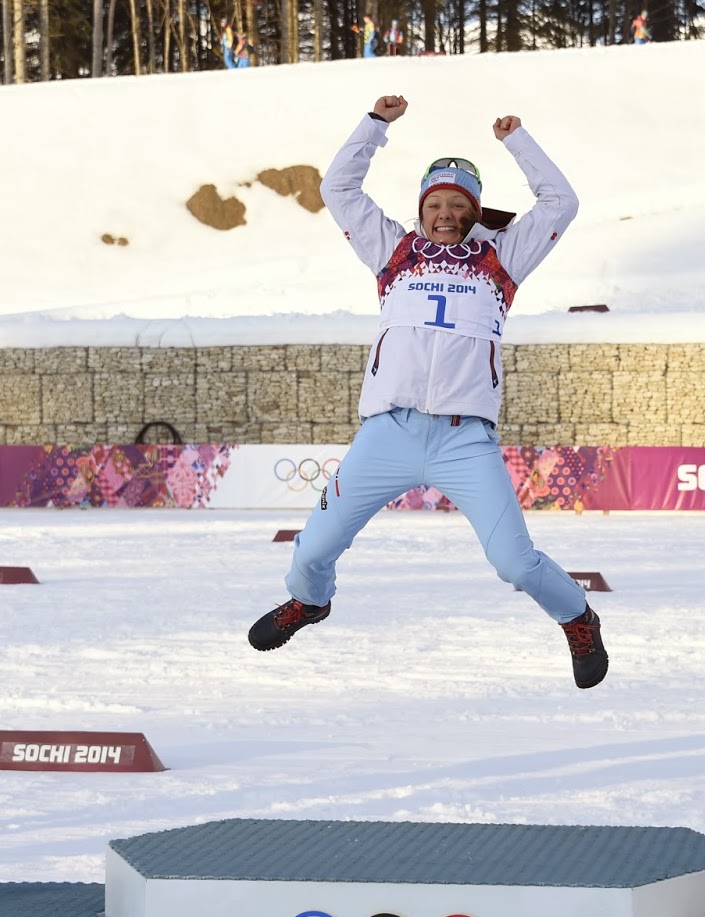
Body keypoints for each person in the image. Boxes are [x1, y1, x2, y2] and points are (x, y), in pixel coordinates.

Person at [247, 95, 607, 689]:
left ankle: (578, 618)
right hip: (388, 433)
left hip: (464, 441)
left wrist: (518, 142)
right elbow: (338, 188)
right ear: (421, 210)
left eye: (457, 205)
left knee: (515, 563)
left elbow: (561, 203)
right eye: (435, 204)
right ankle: (310, 603)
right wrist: (375, 125)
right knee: (311, 555)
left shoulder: (503, 258)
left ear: (474, 212)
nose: (445, 214)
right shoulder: (393, 251)